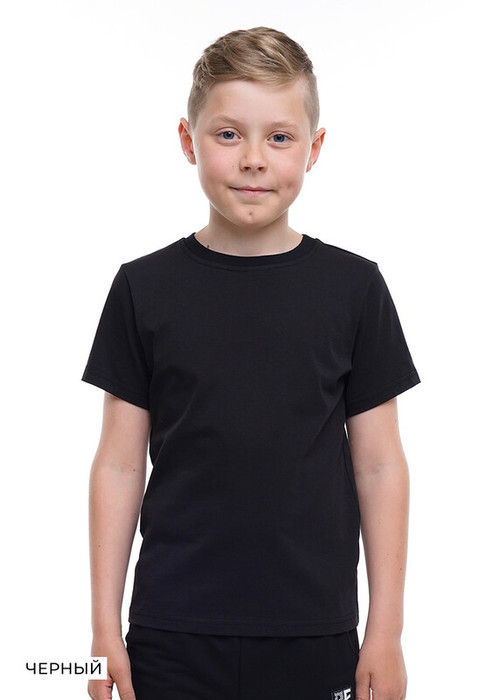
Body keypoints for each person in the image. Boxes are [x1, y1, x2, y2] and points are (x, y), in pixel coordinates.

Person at [82, 26, 420, 700]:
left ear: (314, 149)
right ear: (188, 140)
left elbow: (381, 465)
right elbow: (118, 465)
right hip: (171, 633)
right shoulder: (142, 288)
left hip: (315, 633)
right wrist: (102, 632)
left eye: (280, 137)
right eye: (229, 134)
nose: (254, 160)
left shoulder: (355, 289)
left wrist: (386, 632)